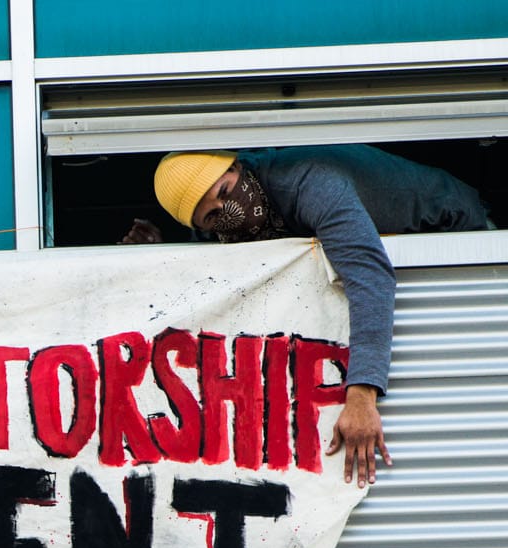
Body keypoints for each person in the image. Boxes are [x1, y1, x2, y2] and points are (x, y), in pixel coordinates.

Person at [122, 144, 491, 487]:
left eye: (225, 191)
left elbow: (369, 276)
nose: (228, 211)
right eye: (212, 216)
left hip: (455, 228)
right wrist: (153, 259)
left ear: (237, 165)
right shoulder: (229, 223)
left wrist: (362, 397)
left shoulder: (308, 183)